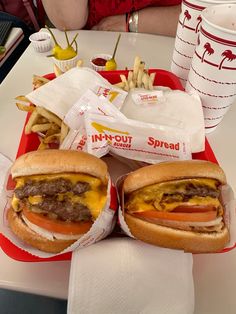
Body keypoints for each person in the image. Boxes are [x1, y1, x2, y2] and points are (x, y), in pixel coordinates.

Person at [41, 0, 181, 37]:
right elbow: (68, 22)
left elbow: (198, 17)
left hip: (172, 46)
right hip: (91, 49)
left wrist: (131, 22)